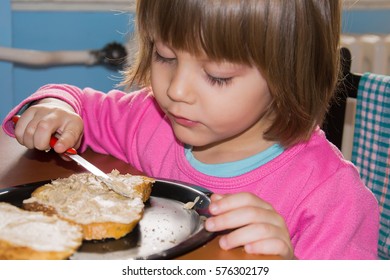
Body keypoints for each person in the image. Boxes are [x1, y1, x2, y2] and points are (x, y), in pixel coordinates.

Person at [2, 0, 379, 259]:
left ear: (290, 75)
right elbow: (77, 101)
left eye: (217, 76)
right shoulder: (148, 119)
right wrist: (54, 107)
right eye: (165, 56)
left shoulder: (333, 198)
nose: (175, 90)